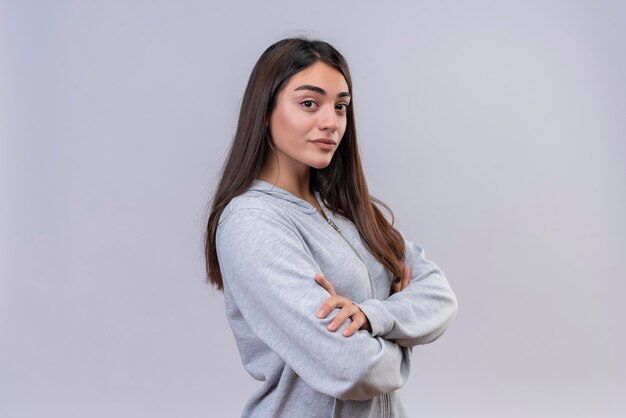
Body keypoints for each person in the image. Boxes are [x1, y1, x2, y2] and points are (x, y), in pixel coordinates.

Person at [204, 37, 458, 418]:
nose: (331, 122)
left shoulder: (347, 210)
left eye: (340, 106)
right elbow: (353, 369)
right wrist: (406, 333)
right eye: (309, 103)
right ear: (265, 109)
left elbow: (440, 295)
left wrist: (373, 316)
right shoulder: (252, 222)